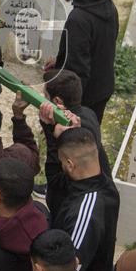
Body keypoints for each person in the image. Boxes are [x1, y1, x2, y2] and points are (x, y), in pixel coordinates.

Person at [45, 0, 118, 124]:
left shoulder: (78, 18)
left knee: (78, 143)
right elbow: (100, 44)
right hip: (103, 86)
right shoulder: (107, 4)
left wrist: (69, 108)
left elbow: (78, 68)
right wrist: (59, 61)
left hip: (84, 97)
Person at [49, 127, 119, 271]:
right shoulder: (106, 184)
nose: (61, 166)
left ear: (70, 164)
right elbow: (57, 184)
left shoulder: (85, 212)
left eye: (62, 163)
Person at [32, 70, 109, 207]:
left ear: (56, 101)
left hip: (68, 201)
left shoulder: (72, 132)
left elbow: (54, 176)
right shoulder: (88, 113)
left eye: (45, 96)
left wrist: (55, 136)